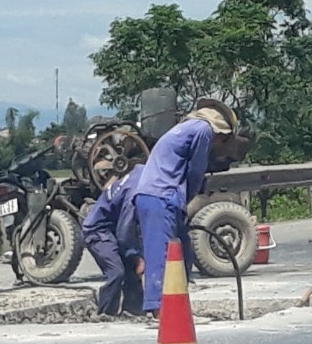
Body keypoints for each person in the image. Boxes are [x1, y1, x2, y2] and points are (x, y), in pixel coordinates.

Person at [133, 98, 249, 321]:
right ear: (222, 134)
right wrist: (190, 197)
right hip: (160, 195)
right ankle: (160, 310)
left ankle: (178, 305)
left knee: (183, 252)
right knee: (162, 254)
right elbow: (196, 170)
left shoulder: (187, 127)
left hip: (163, 196)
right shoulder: (203, 131)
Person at [81, 162, 145, 317]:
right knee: (117, 272)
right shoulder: (134, 193)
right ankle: (105, 313)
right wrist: (137, 257)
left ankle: (133, 310)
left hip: (111, 228)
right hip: (98, 231)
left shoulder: (141, 172)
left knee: (131, 272)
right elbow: (125, 232)